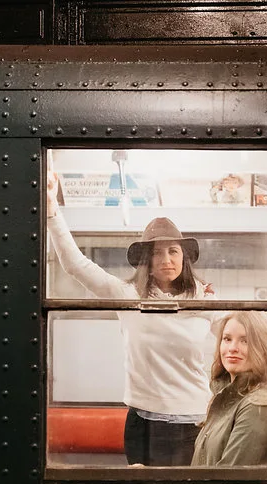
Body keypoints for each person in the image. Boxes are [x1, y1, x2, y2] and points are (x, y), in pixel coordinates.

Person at [46, 161, 216, 466]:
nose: (166, 259)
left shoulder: (206, 298)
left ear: (184, 258)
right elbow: (75, 265)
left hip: (194, 423)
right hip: (142, 423)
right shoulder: (127, 295)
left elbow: (241, 340)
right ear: (146, 261)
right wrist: (51, 212)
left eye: (173, 251)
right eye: (157, 252)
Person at [191, 311, 267, 467]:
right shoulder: (226, 396)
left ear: (262, 348)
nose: (233, 348)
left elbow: (229, 476)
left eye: (245, 341)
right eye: (227, 339)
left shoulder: (257, 405)